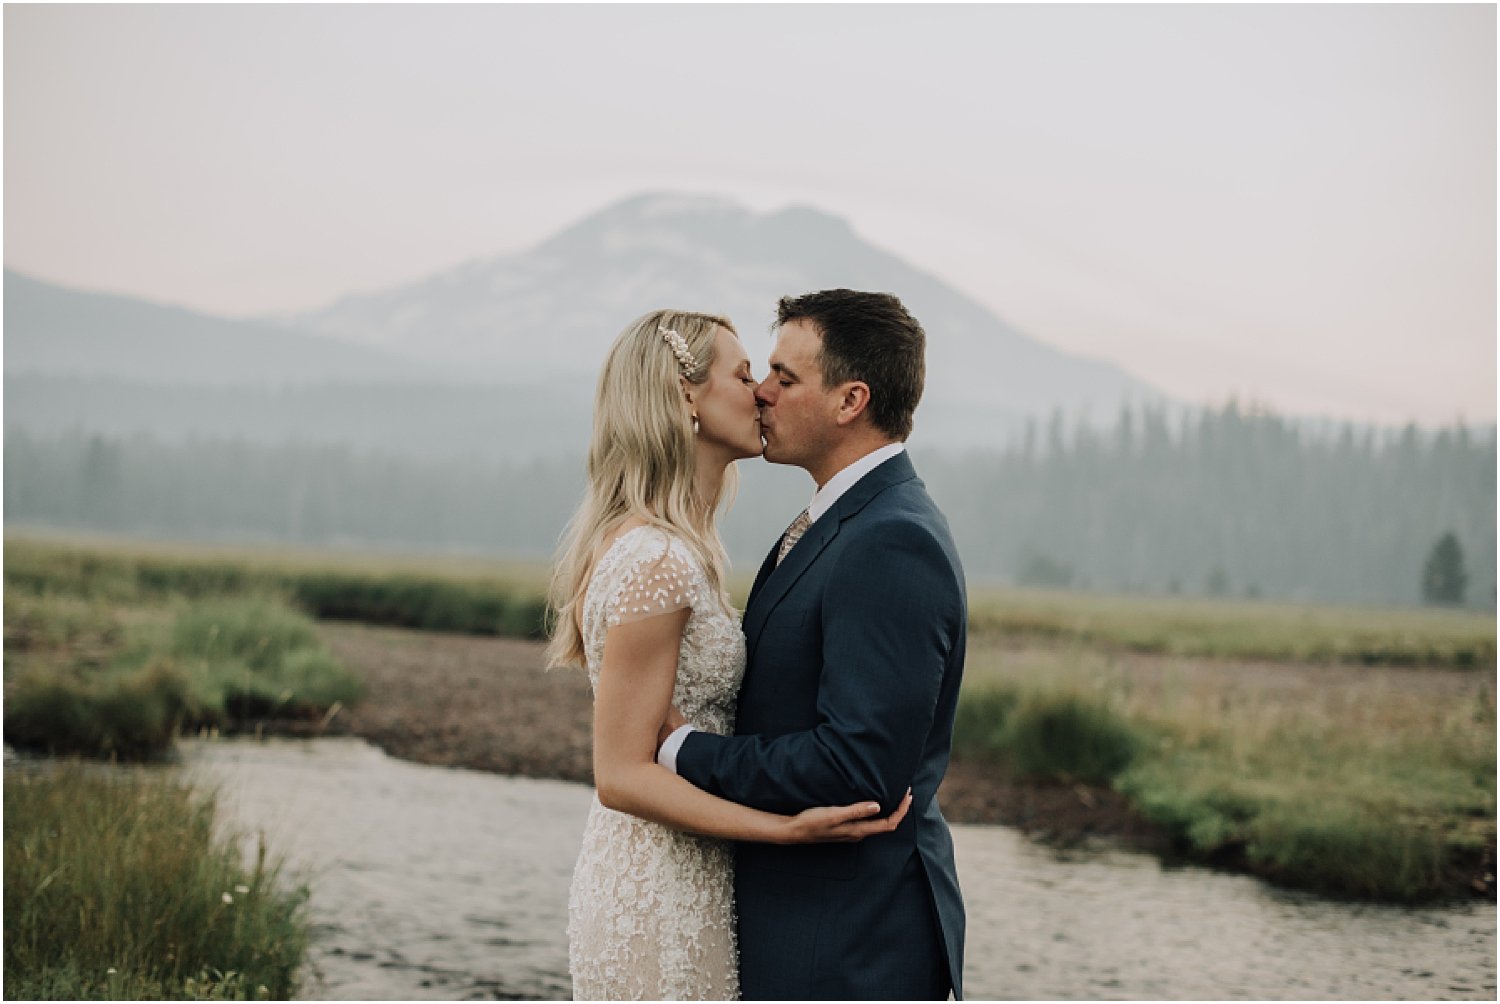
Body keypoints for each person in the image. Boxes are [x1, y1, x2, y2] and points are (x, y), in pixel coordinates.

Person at [546, 308, 912, 1000]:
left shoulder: (682, 548)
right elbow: (620, 775)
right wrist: (783, 830)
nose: (763, 391)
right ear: (685, 395)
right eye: (744, 376)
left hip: (692, 872)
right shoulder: (656, 557)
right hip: (656, 891)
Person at [658, 289, 968, 1000]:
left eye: (785, 377)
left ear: (850, 400)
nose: (761, 392)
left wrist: (684, 750)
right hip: (807, 926)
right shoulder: (841, 519)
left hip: (848, 946)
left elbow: (856, 767)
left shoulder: (892, 539)